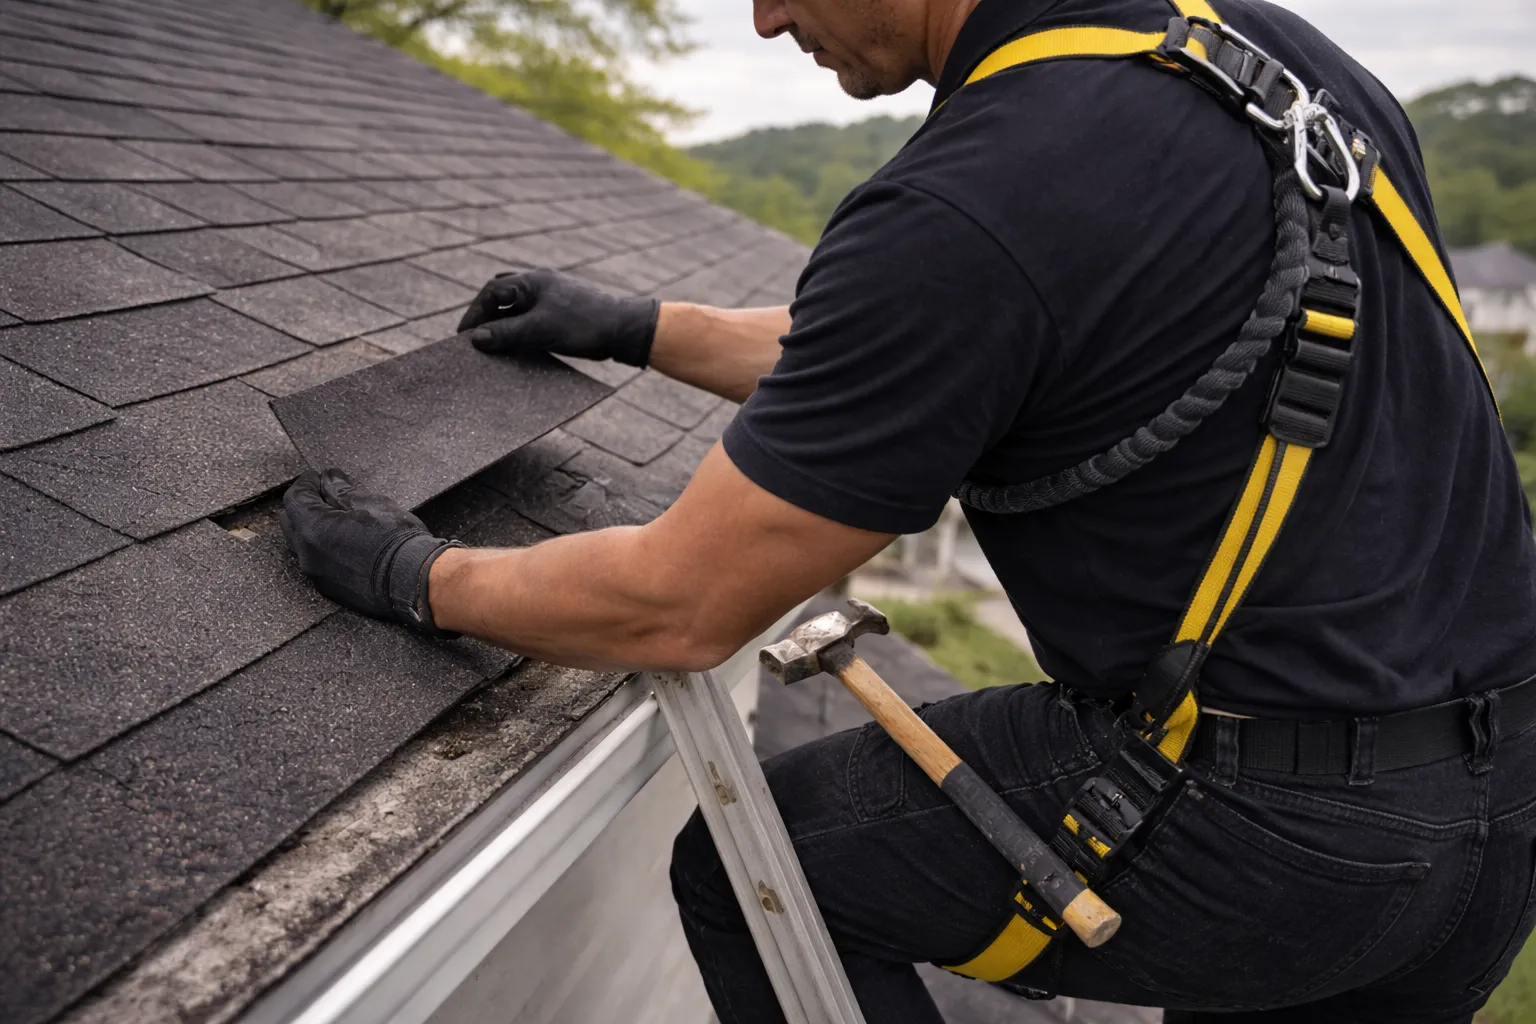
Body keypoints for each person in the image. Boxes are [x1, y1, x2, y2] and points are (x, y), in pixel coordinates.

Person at [279, 0, 1536, 1020]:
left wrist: (409, 568)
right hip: (1502, 812)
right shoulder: (1287, 67)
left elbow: (676, 603)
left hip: (1271, 833)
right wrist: (636, 329)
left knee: (758, 877)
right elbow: (941, 361)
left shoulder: (978, 193)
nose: (766, 19)